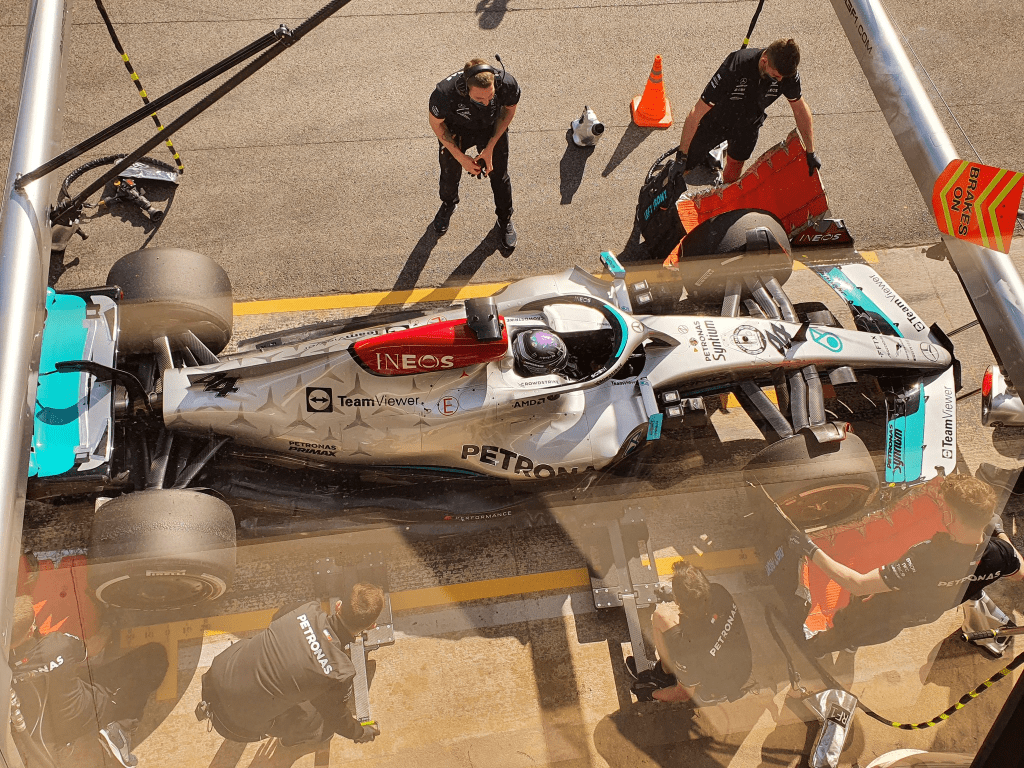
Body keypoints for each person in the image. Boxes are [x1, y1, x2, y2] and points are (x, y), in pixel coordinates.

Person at [790, 473, 1024, 657]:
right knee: (882, 632)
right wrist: (1000, 532)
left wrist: (810, 549)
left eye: (945, 510)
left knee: (846, 630)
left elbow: (858, 584)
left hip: (880, 612)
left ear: (952, 518)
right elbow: (1019, 570)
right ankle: (852, 644)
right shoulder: (1001, 554)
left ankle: (817, 649)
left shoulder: (925, 557)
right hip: (923, 614)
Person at [199, 583, 385, 747]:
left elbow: (276, 620)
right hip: (233, 725)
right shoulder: (339, 673)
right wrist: (359, 733)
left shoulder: (305, 608)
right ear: (371, 626)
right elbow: (336, 717)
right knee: (318, 721)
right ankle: (293, 739)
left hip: (215, 677)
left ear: (338, 606)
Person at [9, 595, 168, 768]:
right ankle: (122, 729)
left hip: (45, 732)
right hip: (83, 714)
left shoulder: (6, 664)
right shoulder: (57, 644)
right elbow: (93, 648)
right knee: (154, 656)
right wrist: (109, 626)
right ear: (31, 630)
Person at [673, 38, 819, 185]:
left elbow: (800, 109)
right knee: (684, 167)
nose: (780, 81)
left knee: (735, 165)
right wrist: (682, 155)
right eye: (775, 77)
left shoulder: (786, 75)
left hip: (748, 125)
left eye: (783, 78)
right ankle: (663, 197)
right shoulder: (736, 65)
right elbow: (696, 113)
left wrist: (810, 151)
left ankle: (725, 197)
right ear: (764, 61)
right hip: (716, 121)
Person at [627, 561, 753, 704]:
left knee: (660, 616)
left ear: (681, 603)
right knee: (667, 620)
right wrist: (676, 596)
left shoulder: (688, 647)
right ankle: (668, 672)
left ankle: (666, 676)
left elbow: (683, 694)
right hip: (743, 669)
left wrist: (652, 694)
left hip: (719, 684)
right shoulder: (719, 592)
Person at [428, 57, 521, 249]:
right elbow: (436, 123)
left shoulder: (507, 84)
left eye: (490, 96)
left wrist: (491, 146)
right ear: (464, 89)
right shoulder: (444, 94)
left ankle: (504, 219)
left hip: (490, 128)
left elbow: (509, 110)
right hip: (456, 130)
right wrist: (461, 158)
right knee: (449, 173)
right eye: (479, 99)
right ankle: (448, 204)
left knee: (499, 175)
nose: (486, 103)